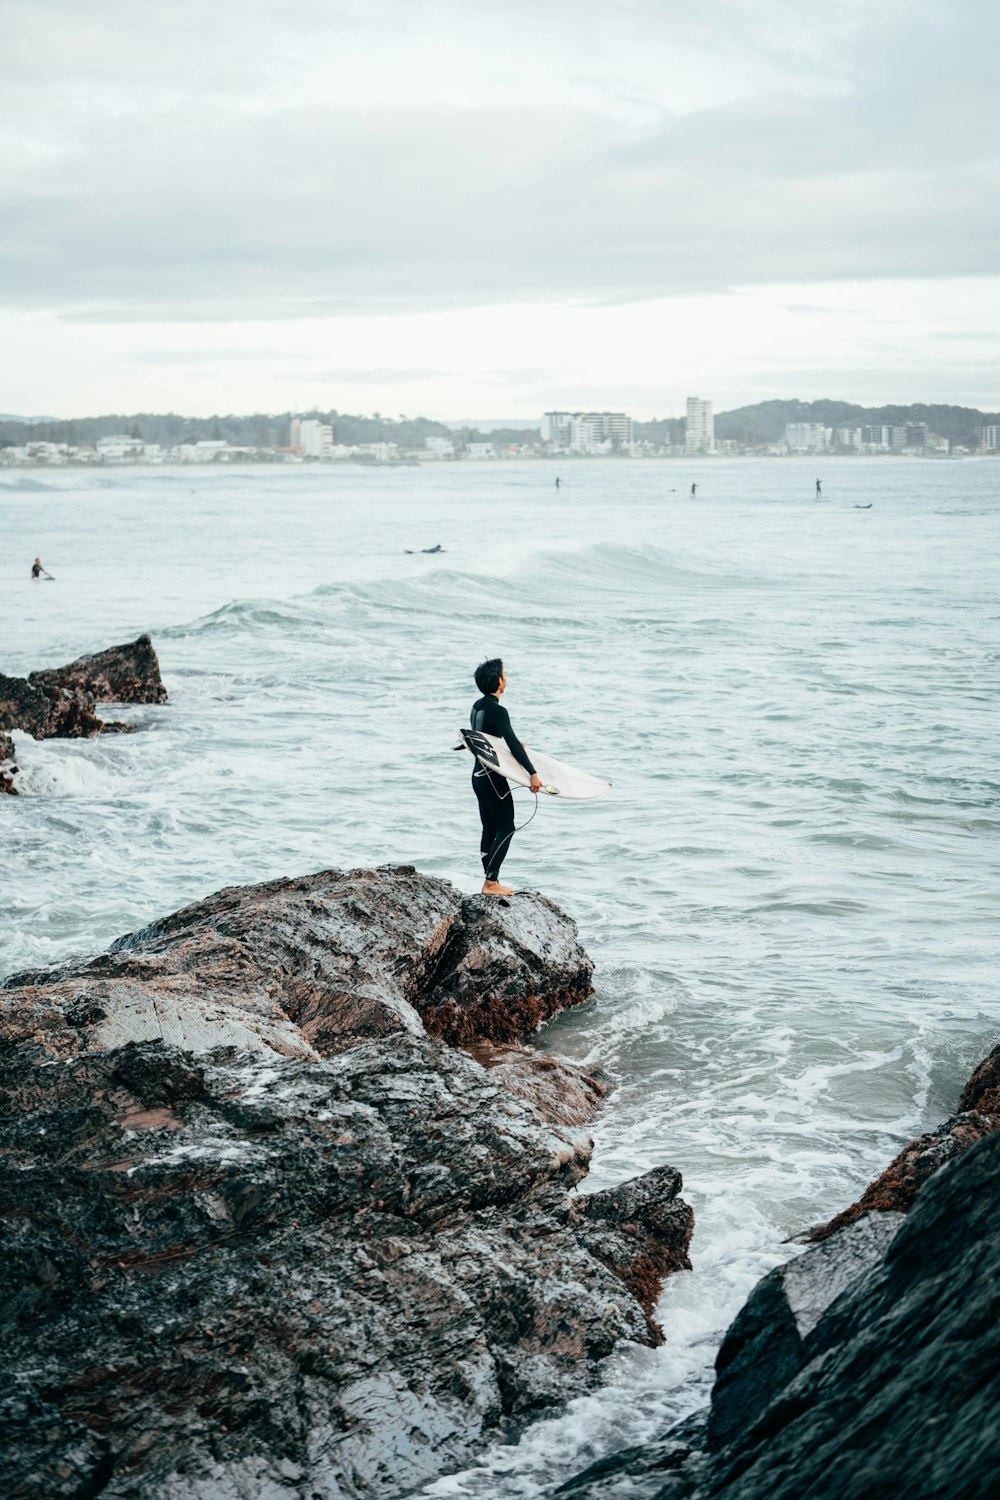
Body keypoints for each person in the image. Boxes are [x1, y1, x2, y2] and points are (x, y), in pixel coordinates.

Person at [469, 658, 542, 896]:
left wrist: (509, 744)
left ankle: (489, 879)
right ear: (499, 681)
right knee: (506, 827)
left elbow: (486, 739)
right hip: (493, 777)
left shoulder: (477, 707)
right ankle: (491, 883)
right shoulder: (498, 710)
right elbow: (511, 742)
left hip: (478, 775)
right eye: (505, 674)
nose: (506, 678)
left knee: (489, 827)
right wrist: (532, 773)